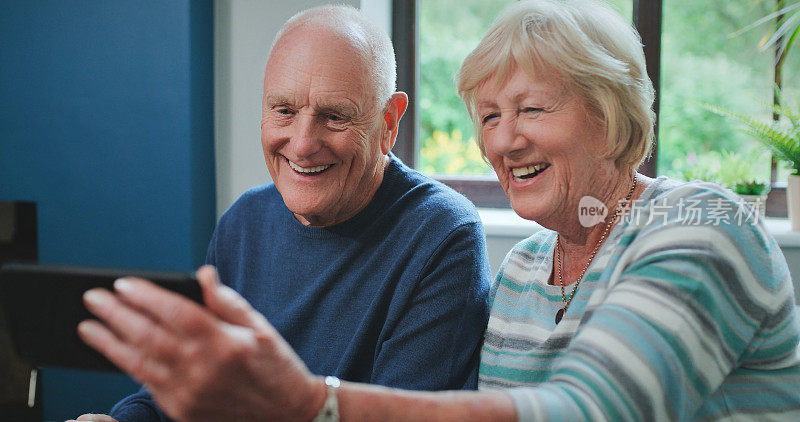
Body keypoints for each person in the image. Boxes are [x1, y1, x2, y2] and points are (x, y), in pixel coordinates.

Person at [75, 0, 800, 421]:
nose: (503, 139)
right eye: (487, 116)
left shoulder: (704, 226)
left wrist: (310, 403)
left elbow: (586, 411)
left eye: (531, 109)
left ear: (611, 119)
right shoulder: (523, 270)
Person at [71, 5, 492, 422]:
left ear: (389, 122)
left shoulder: (442, 236)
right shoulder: (243, 223)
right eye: (284, 111)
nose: (303, 143)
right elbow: (190, 386)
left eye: (334, 116)